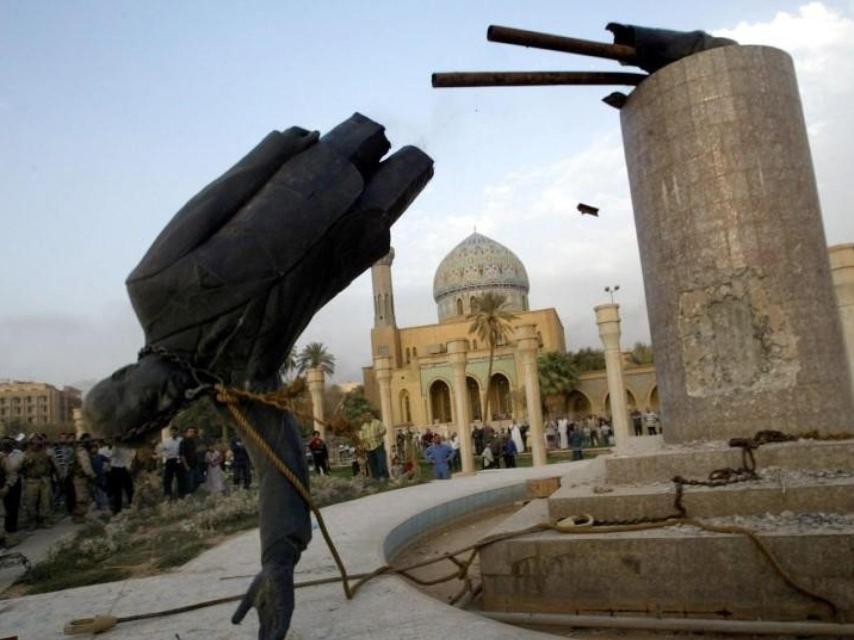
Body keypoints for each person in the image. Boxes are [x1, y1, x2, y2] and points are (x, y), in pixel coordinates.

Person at [20, 435, 57, 529]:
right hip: (31, 480)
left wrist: (59, 476)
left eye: (38, 440)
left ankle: (46, 520)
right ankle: (32, 521)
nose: (36, 443)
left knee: (45, 502)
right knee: (30, 502)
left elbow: (56, 465)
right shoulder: (26, 454)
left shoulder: (47, 453)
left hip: (44, 479)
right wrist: (27, 461)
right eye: (34, 441)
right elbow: (20, 467)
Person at [71, 434, 96, 522]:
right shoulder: (82, 451)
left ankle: (82, 515)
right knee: (81, 498)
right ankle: (78, 516)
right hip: (80, 477)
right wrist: (92, 476)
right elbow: (86, 466)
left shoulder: (84, 450)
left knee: (85, 497)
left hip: (82, 477)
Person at [107, 439, 135, 514]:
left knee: (129, 488)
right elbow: (111, 455)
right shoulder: (116, 448)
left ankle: (130, 503)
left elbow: (131, 458)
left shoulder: (130, 449)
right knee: (117, 490)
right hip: (116, 469)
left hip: (123, 469)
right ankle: (117, 509)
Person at [1, 438, 22, 534]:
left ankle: (9, 531)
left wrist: (8, 485)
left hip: (5, 488)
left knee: (9, 509)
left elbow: (12, 473)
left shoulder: (1, 458)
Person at [359, 413, 389, 480]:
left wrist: (379, 434)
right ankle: (376, 478)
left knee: (381, 461)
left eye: (368, 416)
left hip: (378, 445)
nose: (367, 418)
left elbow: (384, 430)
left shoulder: (377, 422)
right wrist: (364, 444)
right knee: (372, 463)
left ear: (371, 416)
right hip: (369, 447)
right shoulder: (363, 426)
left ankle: (384, 476)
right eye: (365, 417)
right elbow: (361, 437)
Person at [158, 426, 182, 500]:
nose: (173, 432)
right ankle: (168, 494)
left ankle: (180, 493)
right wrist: (163, 456)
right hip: (169, 460)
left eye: (175, 431)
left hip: (178, 460)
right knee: (167, 478)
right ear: (170, 432)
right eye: (172, 431)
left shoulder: (181, 440)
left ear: (177, 432)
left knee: (180, 477)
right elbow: (159, 450)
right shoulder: (166, 441)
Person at [178, 426, 198, 496]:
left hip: (194, 465)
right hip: (187, 466)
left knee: (195, 481)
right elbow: (182, 455)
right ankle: (187, 495)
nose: (192, 433)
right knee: (188, 482)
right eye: (190, 432)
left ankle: (191, 494)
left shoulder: (193, 442)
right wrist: (186, 466)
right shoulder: (183, 442)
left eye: (193, 432)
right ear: (186, 433)